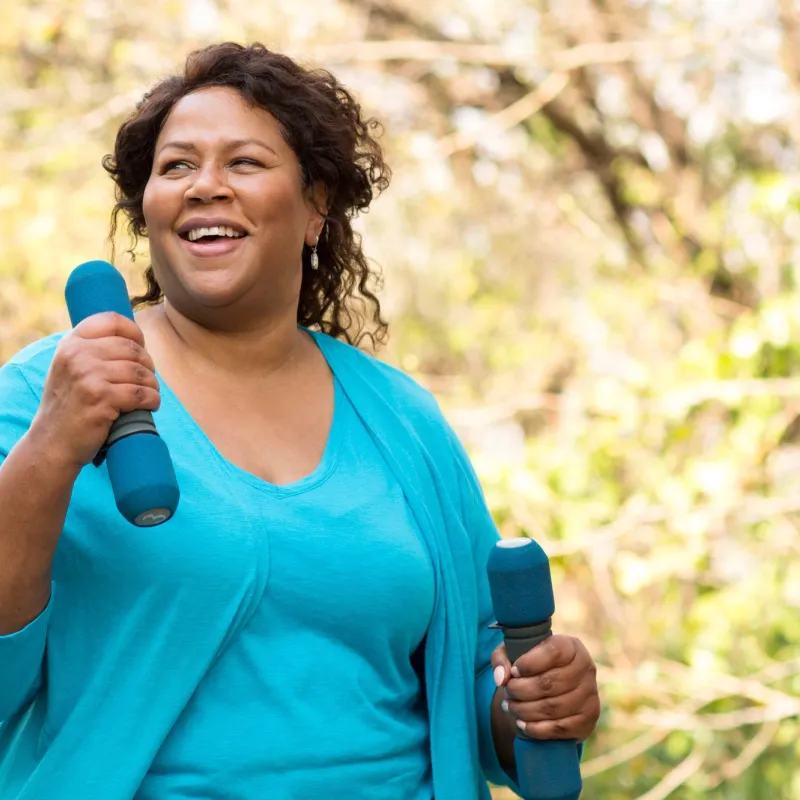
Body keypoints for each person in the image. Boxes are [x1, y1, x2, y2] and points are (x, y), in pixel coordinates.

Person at [0, 42, 600, 800]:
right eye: (176, 166)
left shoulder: (401, 418)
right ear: (144, 210)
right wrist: (51, 448)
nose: (204, 187)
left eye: (244, 163)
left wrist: (536, 705)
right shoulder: (45, 391)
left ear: (317, 205)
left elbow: (474, 682)